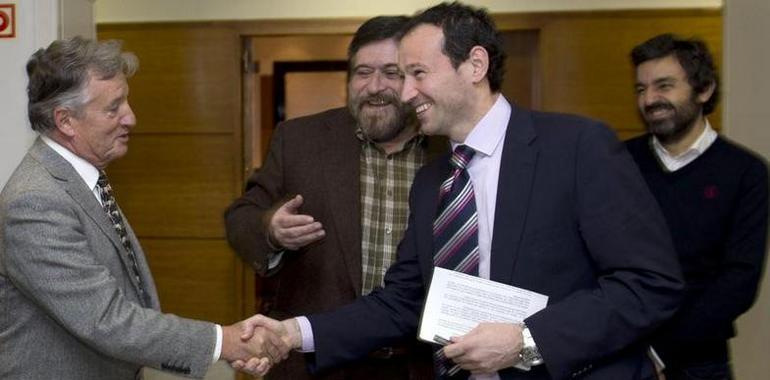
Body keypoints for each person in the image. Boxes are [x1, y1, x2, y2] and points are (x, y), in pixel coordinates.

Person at [238, 2, 686, 380]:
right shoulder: (431, 181)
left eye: (416, 73)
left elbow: (650, 285)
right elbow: (403, 302)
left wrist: (527, 342)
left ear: (475, 65)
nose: (404, 92)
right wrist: (294, 333)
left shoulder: (576, 147)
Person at [0, 37, 284, 379]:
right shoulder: (36, 202)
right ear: (65, 121)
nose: (131, 118)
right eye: (113, 108)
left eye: (126, 103)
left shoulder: (82, 180)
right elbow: (104, 319)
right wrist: (224, 341)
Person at [224, 16, 444, 379]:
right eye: (362, 72)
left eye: (392, 72)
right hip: (318, 363)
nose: (375, 87)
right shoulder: (300, 139)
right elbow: (241, 218)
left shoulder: (449, 147)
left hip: (420, 363)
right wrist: (271, 229)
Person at [625, 33, 769, 380]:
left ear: (704, 90)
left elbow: (738, 282)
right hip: (621, 354)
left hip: (701, 364)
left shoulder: (745, 172)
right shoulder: (619, 161)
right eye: (641, 89)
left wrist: (660, 353)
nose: (650, 100)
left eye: (664, 86)